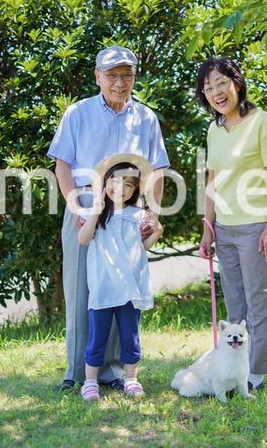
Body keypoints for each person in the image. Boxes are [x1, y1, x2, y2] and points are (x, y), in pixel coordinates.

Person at [48, 46, 169, 392]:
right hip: (86, 202)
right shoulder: (78, 113)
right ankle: (76, 371)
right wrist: (77, 206)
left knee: (122, 286)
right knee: (82, 287)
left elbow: (158, 168)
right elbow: (63, 166)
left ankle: (114, 373)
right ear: (97, 77)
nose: (120, 82)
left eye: (126, 74)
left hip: (129, 207)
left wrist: (153, 214)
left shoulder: (146, 118)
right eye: (112, 75)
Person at [196, 57, 267, 392]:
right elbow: (213, 180)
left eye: (221, 83)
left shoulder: (262, 122)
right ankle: (235, 368)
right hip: (225, 229)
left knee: (258, 301)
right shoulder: (214, 129)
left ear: (236, 83)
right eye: (208, 88)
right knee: (234, 303)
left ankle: (257, 373)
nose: (215, 92)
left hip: (255, 225)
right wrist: (208, 227)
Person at [77, 155, 163, 400]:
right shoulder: (94, 213)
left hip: (129, 287)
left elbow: (140, 248)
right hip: (103, 286)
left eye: (128, 185)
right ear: (104, 183)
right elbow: (83, 240)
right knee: (97, 338)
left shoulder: (138, 214)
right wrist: (96, 211)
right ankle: (90, 382)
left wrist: (157, 230)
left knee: (130, 337)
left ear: (135, 190)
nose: (120, 189)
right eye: (115, 182)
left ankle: (132, 379)